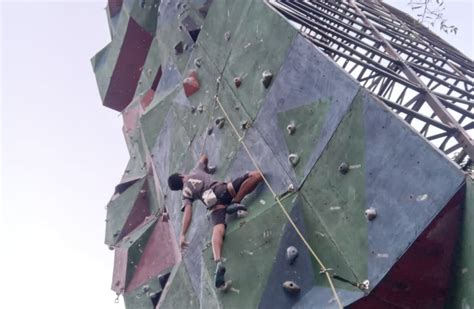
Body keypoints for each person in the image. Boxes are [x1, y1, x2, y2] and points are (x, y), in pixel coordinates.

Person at [167, 155, 263, 290]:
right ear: (181, 175)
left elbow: (188, 211)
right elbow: (204, 157)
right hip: (221, 190)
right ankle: (236, 202)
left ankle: (218, 260)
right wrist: (207, 168)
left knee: (217, 231)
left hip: (213, 206)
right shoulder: (196, 170)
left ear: (178, 188)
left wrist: (182, 234)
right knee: (257, 176)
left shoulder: (185, 193)